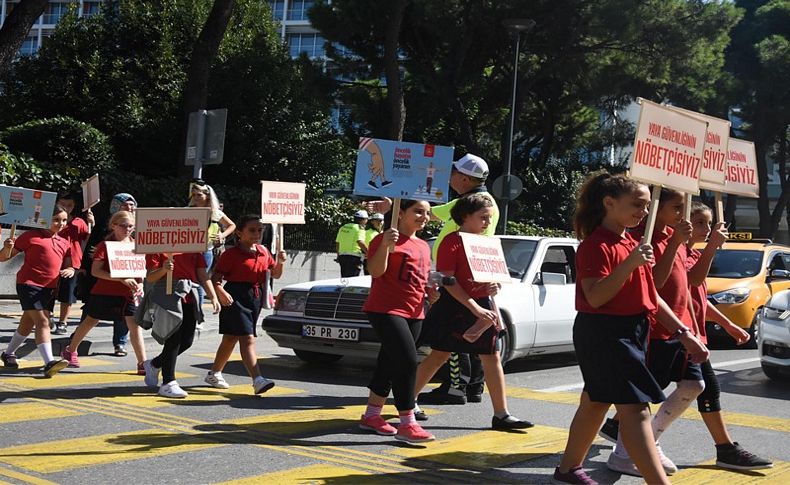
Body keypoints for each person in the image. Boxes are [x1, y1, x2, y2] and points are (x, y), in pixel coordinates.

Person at [553, 172, 708, 485]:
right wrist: (630, 264)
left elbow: (650, 296)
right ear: (609, 203)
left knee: (595, 403)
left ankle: (568, 470)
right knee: (635, 410)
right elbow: (595, 296)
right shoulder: (595, 244)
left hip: (632, 331)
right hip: (605, 332)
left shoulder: (633, 243)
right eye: (638, 204)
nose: (645, 211)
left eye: (648, 205)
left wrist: (683, 333)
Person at [598, 202, 773, 471]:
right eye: (695, 219)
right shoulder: (659, 243)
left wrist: (724, 325)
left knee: (698, 387)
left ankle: (638, 438)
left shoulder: (682, 248)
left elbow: (696, 296)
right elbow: (664, 285)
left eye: (705, 222)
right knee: (636, 397)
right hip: (662, 332)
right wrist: (708, 247)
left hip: (685, 333)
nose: (699, 226)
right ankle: (629, 445)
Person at [412, 193, 532, 432]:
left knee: (492, 357)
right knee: (439, 355)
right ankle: (408, 402)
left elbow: (489, 279)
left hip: (480, 305)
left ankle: (502, 414)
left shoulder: (485, 242)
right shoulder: (452, 241)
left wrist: (494, 286)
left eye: (489, 217)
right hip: (455, 306)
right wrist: (475, 307)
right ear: (465, 217)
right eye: (483, 217)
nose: (488, 223)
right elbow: (448, 280)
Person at [607, 188, 706, 477]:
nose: (683, 215)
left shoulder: (675, 238)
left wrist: (693, 329)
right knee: (642, 399)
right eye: (677, 208)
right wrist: (675, 243)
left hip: (679, 328)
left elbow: (687, 285)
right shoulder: (647, 239)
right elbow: (655, 285)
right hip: (656, 330)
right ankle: (626, 453)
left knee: (693, 386)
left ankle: (650, 440)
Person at [418, 154, 496, 407]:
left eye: (452, 174)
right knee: (479, 346)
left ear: (463, 177)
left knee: (448, 341)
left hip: (458, 281)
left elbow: (432, 214)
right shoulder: (478, 201)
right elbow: (433, 213)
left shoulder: (472, 204)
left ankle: (454, 386)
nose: (449, 178)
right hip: (471, 281)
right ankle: (472, 387)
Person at [358, 200, 437, 443]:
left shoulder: (423, 245)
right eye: (418, 211)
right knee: (407, 361)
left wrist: (430, 292)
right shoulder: (382, 240)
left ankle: (371, 415)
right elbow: (376, 271)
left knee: (389, 362)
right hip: (385, 309)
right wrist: (384, 244)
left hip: (414, 312)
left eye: (426, 213)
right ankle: (407, 422)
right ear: (400, 213)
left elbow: (419, 279)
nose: (424, 217)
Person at [204, 215, 286, 394]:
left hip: (254, 297)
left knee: (230, 338)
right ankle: (257, 379)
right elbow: (216, 278)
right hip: (235, 296)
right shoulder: (231, 254)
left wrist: (280, 261)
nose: (257, 233)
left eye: (260, 230)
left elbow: (275, 275)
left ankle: (214, 373)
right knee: (247, 338)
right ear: (239, 233)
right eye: (252, 230)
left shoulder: (263, 251)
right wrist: (221, 292)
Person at [60, 211, 147, 374]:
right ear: (113, 226)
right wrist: (121, 279)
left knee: (135, 327)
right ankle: (70, 350)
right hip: (104, 292)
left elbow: (139, 270)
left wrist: (141, 284)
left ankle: (142, 363)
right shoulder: (104, 246)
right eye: (123, 226)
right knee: (90, 321)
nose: (128, 229)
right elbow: (96, 271)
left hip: (128, 294)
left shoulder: (136, 245)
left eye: (131, 226)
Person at [0, 205, 70, 377]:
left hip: (49, 289)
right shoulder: (30, 237)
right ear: (45, 219)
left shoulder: (64, 242)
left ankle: (8, 354)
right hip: (28, 285)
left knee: (28, 323)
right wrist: (7, 246)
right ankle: (49, 362)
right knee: (43, 322)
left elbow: (70, 264)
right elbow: (3, 257)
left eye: (64, 220)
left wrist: (71, 270)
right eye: (56, 220)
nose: (60, 224)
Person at [142, 251, 220, 398]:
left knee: (187, 341)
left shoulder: (193, 249)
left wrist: (213, 296)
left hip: (189, 296)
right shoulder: (157, 248)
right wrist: (164, 269)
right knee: (173, 339)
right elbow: (151, 276)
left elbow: (202, 275)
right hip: (167, 297)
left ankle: (154, 364)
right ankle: (168, 383)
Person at [79, 192, 138, 357]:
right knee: (92, 314)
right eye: (125, 204)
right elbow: (92, 249)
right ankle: (74, 342)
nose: (129, 207)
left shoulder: (135, 233)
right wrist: (85, 265)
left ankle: (122, 345)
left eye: (132, 204)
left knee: (127, 317)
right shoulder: (105, 229)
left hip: (128, 285)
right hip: (104, 279)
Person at [188, 181, 236, 320]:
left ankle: (198, 314)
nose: (196, 197)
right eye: (194, 195)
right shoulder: (188, 210)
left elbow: (232, 225)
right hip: (189, 251)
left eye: (199, 195)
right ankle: (190, 311)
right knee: (189, 280)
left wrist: (221, 235)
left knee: (201, 281)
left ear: (207, 196)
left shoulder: (215, 213)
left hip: (206, 250)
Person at [50, 192, 94, 335]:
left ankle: (63, 322)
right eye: (63, 204)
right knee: (49, 290)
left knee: (68, 293)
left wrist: (91, 224)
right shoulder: (51, 220)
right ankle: (47, 317)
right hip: (53, 260)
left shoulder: (79, 222)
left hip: (73, 262)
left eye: (70, 205)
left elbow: (88, 239)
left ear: (74, 206)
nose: (67, 208)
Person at [335, 210, 368, 277]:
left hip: (342, 256)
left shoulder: (344, 227)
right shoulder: (359, 228)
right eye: (366, 219)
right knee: (352, 279)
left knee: (344, 278)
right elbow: (360, 242)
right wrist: (369, 253)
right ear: (363, 220)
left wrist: (338, 255)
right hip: (354, 257)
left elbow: (338, 242)